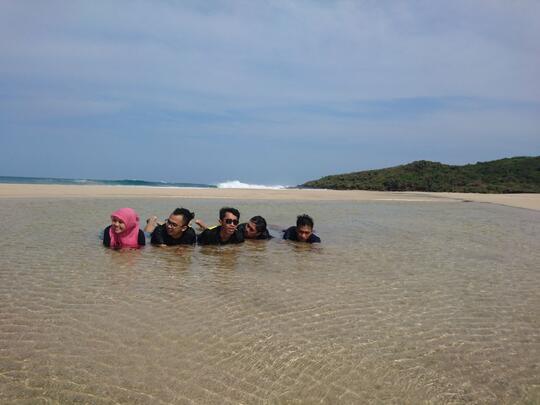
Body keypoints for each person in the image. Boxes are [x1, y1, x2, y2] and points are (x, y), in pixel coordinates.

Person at [196, 215, 272, 240]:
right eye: (248, 225)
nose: (247, 229)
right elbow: (220, 231)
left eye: (251, 229)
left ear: (258, 234)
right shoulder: (241, 228)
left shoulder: (265, 236)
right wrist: (204, 227)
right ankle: (203, 226)